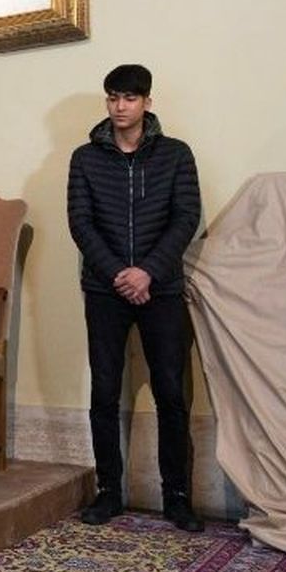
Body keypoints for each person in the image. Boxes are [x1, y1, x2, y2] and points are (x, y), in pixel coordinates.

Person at [67, 65, 204, 533]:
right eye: (112, 98)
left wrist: (147, 271)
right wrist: (119, 274)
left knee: (171, 392)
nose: (119, 107)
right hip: (104, 291)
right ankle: (109, 492)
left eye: (129, 98)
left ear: (147, 101)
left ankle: (178, 497)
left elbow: (186, 218)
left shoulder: (175, 155)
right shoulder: (85, 158)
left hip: (161, 288)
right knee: (104, 391)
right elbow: (80, 223)